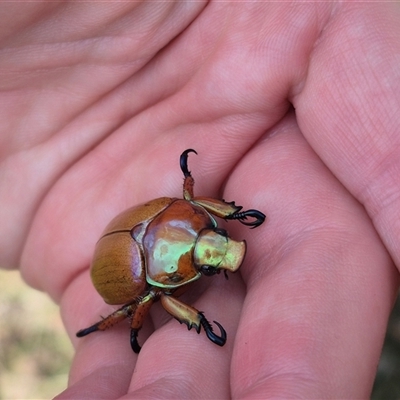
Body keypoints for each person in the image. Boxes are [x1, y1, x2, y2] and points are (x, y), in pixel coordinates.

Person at [0, 3, 399, 398]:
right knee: (137, 306)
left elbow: (193, 200)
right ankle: (129, 325)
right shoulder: (157, 274)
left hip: (144, 231)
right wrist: (166, 323)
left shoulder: (184, 211)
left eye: (212, 239)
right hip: (125, 268)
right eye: (212, 259)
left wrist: (232, 214)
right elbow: (179, 229)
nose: (223, 246)